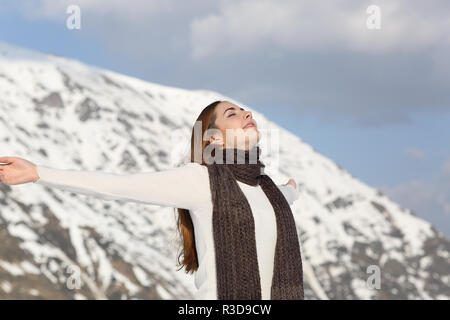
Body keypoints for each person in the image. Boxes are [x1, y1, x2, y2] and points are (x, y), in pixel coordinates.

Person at [0, 100, 302, 300]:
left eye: (245, 111)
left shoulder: (271, 193)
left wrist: (291, 188)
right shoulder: (200, 180)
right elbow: (118, 186)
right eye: (232, 114)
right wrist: (39, 173)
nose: (246, 114)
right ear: (216, 139)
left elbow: (285, 197)